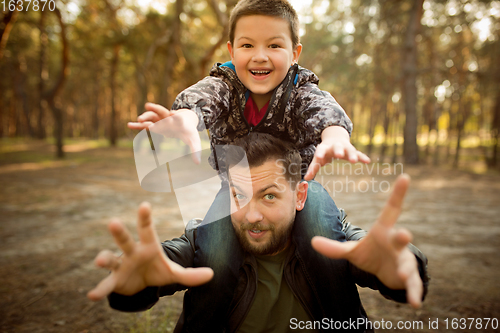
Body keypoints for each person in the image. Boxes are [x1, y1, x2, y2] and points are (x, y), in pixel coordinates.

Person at [127, 0, 371, 328]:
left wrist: (335, 135)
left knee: (321, 239)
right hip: (237, 192)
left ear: (295, 52)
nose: (259, 55)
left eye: (274, 45)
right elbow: (203, 97)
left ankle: (346, 324)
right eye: (247, 45)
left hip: (295, 187)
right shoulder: (225, 85)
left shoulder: (299, 89)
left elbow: (322, 108)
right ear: (231, 49)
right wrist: (186, 118)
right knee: (215, 254)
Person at [87, 133, 429, 333]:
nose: (251, 214)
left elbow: (369, 253)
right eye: (238, 195)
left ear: (299, 196)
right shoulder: (207, 242)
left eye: (268, 196)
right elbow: (169, 258)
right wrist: (135, 285)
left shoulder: (332, 242)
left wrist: (401, 268)